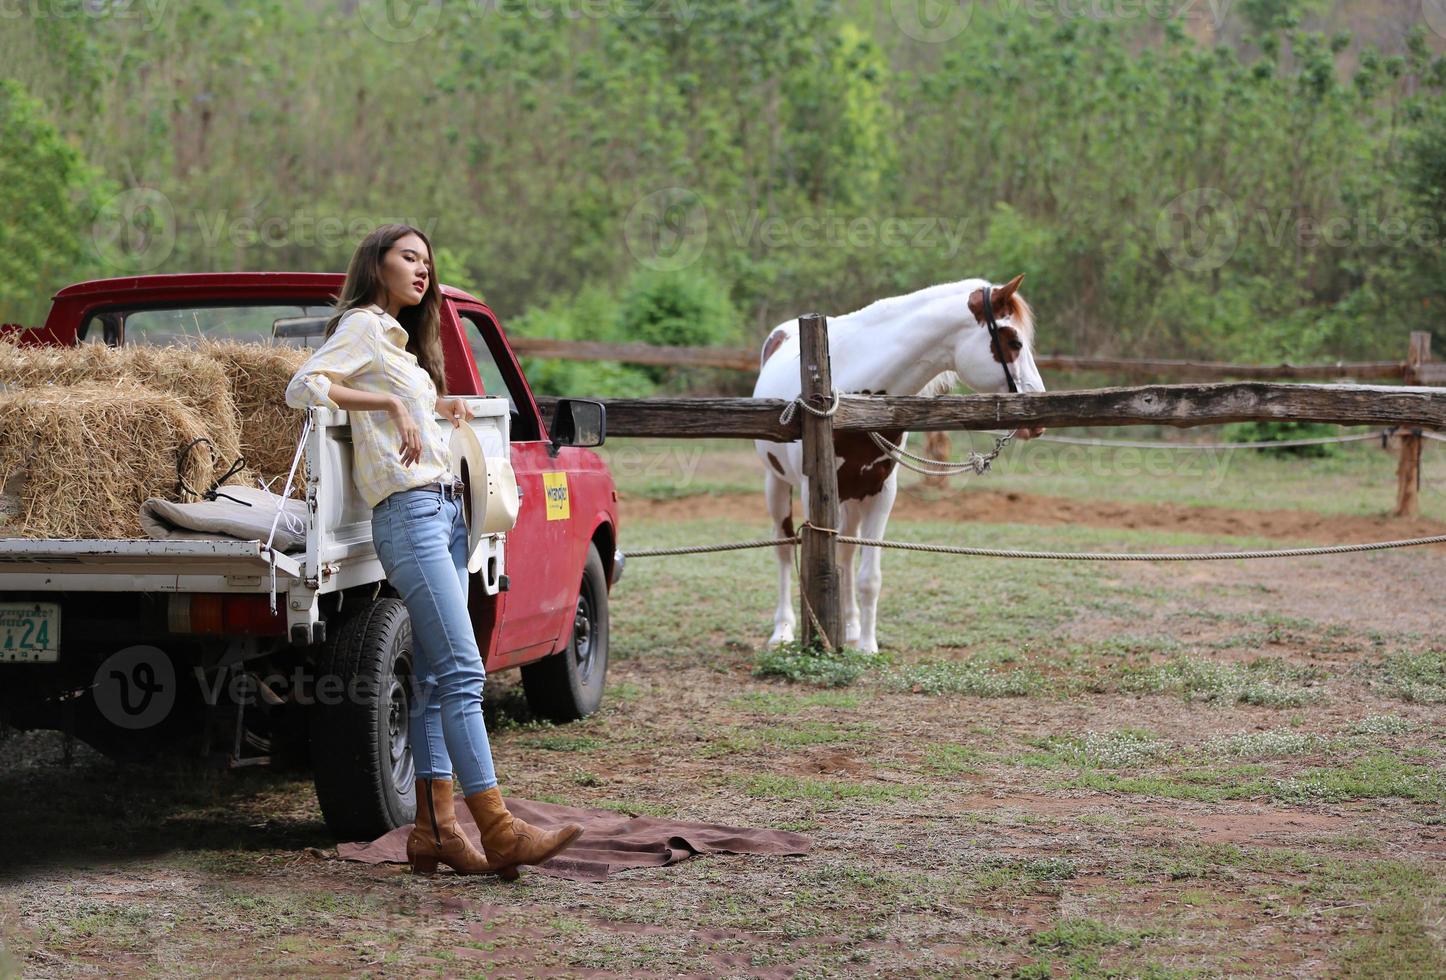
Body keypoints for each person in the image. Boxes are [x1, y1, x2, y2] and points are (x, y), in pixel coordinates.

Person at [284, 224, 582, 878]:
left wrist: (431, 405)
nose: (422, 269)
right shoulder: (362, 326)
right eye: (408, 257)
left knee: (436, 684)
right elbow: (304, 386)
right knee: (465, 673)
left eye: (427, 260)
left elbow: (402, 414)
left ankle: (437, 831)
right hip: (412, 516)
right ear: (377, 263)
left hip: (444, 512)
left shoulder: (397, 340)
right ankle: (499, 830)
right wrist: (392, 402)